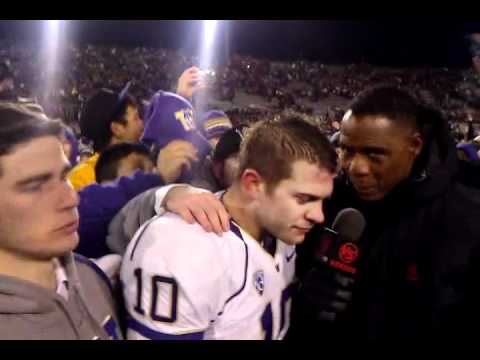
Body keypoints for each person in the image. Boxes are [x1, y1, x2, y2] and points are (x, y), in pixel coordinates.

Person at [290, 86, 480, 340]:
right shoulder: (331, 198)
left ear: (414, 145)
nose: (356, 168)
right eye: (348, 151)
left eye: (374, 154)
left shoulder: (467, 211)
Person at [120, 117, 337, 340]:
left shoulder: (280, 229)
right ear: (253, 184)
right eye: (303, 198)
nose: (318, 216)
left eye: (321, 200)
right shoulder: (182, 245)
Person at [0, 102, 122, 339]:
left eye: (64, 176)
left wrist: (165, 196)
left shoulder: (90, 276)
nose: (71, 198)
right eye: (35, 186)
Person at [106, 125, 248, 255]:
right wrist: (162, 184)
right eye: (238, 159)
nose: (248, 168)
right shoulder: (197, 190)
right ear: (217, 166)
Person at [68, 85, 144, 191]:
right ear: (117, 129)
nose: (142, 123)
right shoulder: (82, 180)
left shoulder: (141, 162)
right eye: (136, 118)